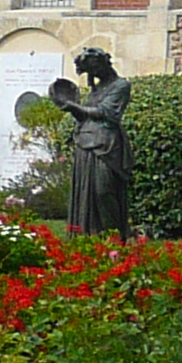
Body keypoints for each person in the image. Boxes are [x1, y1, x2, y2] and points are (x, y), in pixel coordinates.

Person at [47, 47, 133, 237]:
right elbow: (85, 117)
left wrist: (74, 105)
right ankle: (89, 237)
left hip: (107, 146)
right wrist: (70, 107)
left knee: (104, 191)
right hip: (85, 143)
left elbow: (107, 113)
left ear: (104, 65)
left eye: (95, 70)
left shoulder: (121, 86)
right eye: (90, 72)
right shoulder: (96, 90)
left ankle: (113, 236)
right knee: (86, 193)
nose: (94, 75)